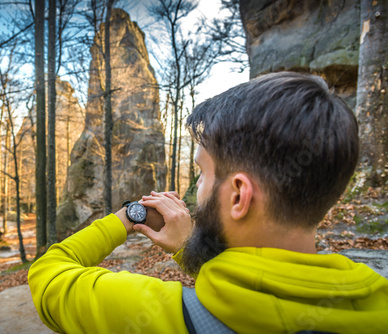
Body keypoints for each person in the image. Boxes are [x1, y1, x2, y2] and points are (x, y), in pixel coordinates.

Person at [28, 72, 388, 333]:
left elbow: (47, 273)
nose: (197, 190)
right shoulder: (376, 301)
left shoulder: (152, 313)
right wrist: (188, 248)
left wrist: (127, 216)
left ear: (238, 196)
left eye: (202, 174)